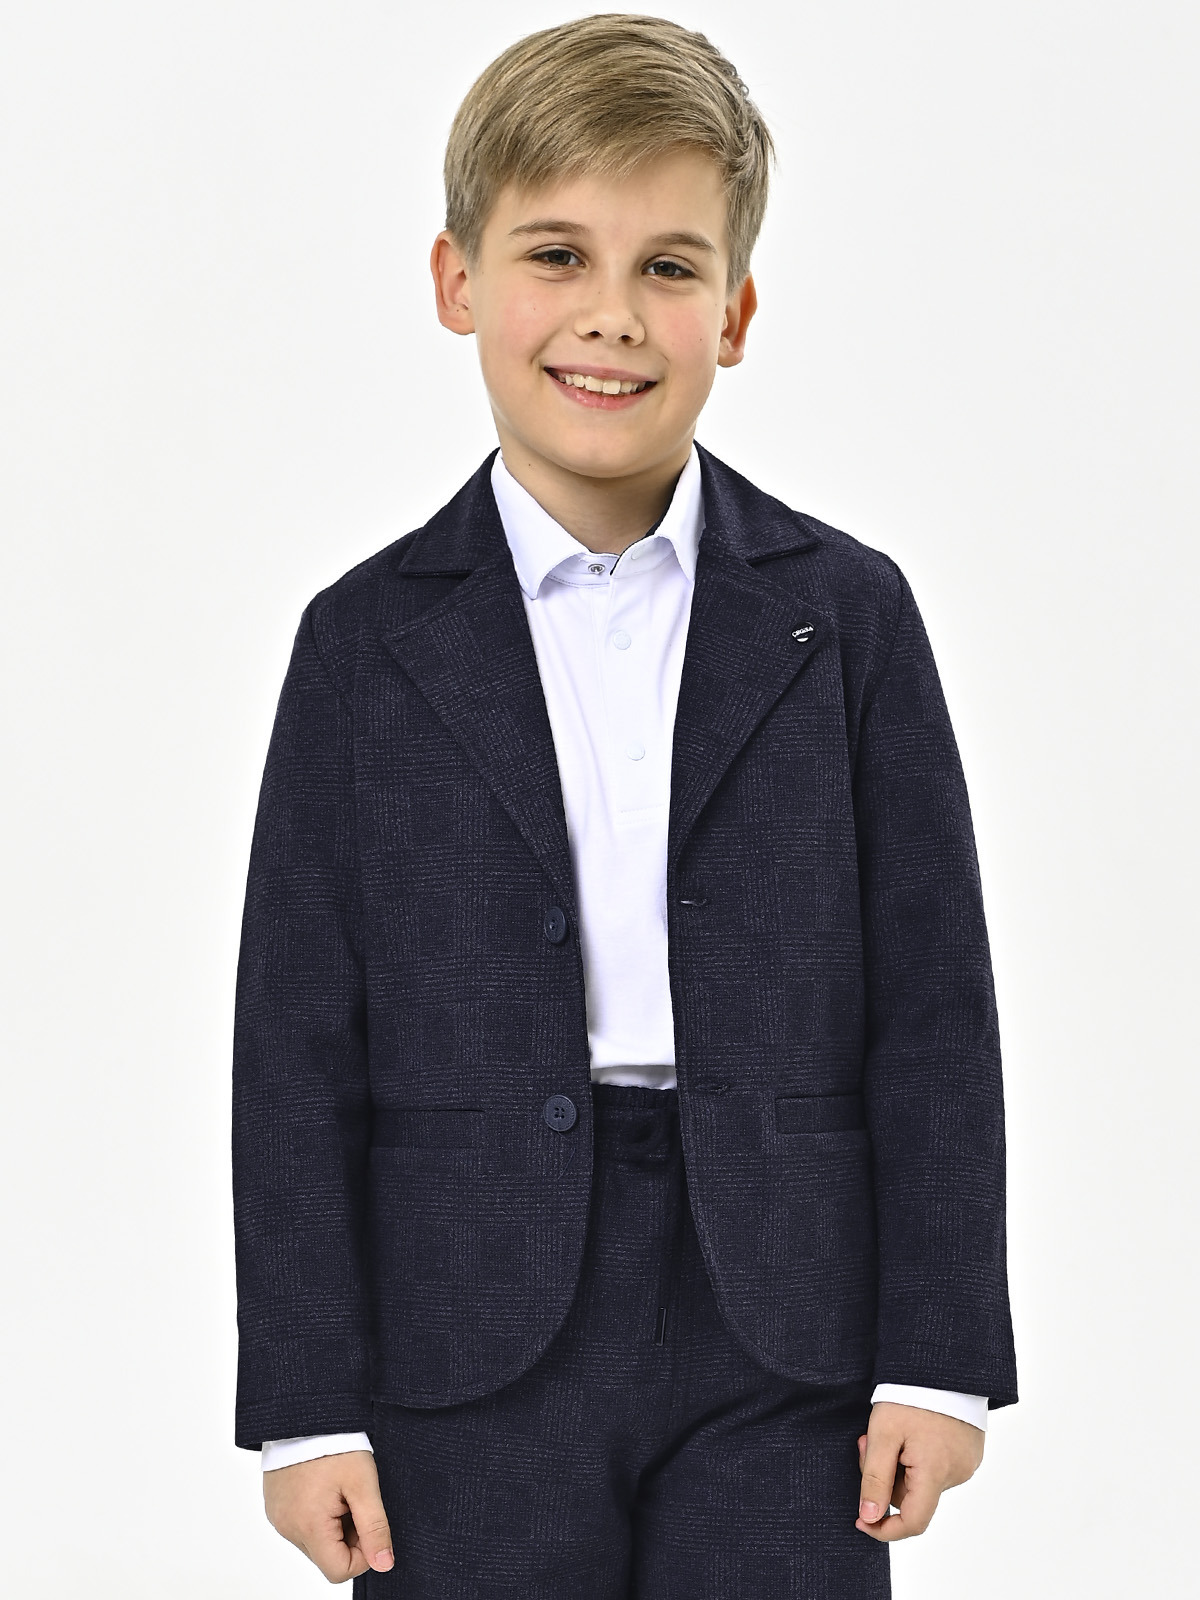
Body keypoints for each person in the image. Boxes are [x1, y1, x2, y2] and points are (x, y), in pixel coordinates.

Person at [231, 14, 1018, 1595]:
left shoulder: (846, 615)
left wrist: (937, 1359)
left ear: (736, 311)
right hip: (463, 1326)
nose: (611, 315)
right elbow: (296, 1034)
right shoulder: (364, 642)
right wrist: (303, 1404)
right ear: (458, 281)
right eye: (556, 256)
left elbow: (935, 1002)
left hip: (782, 1324)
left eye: (668, 266)